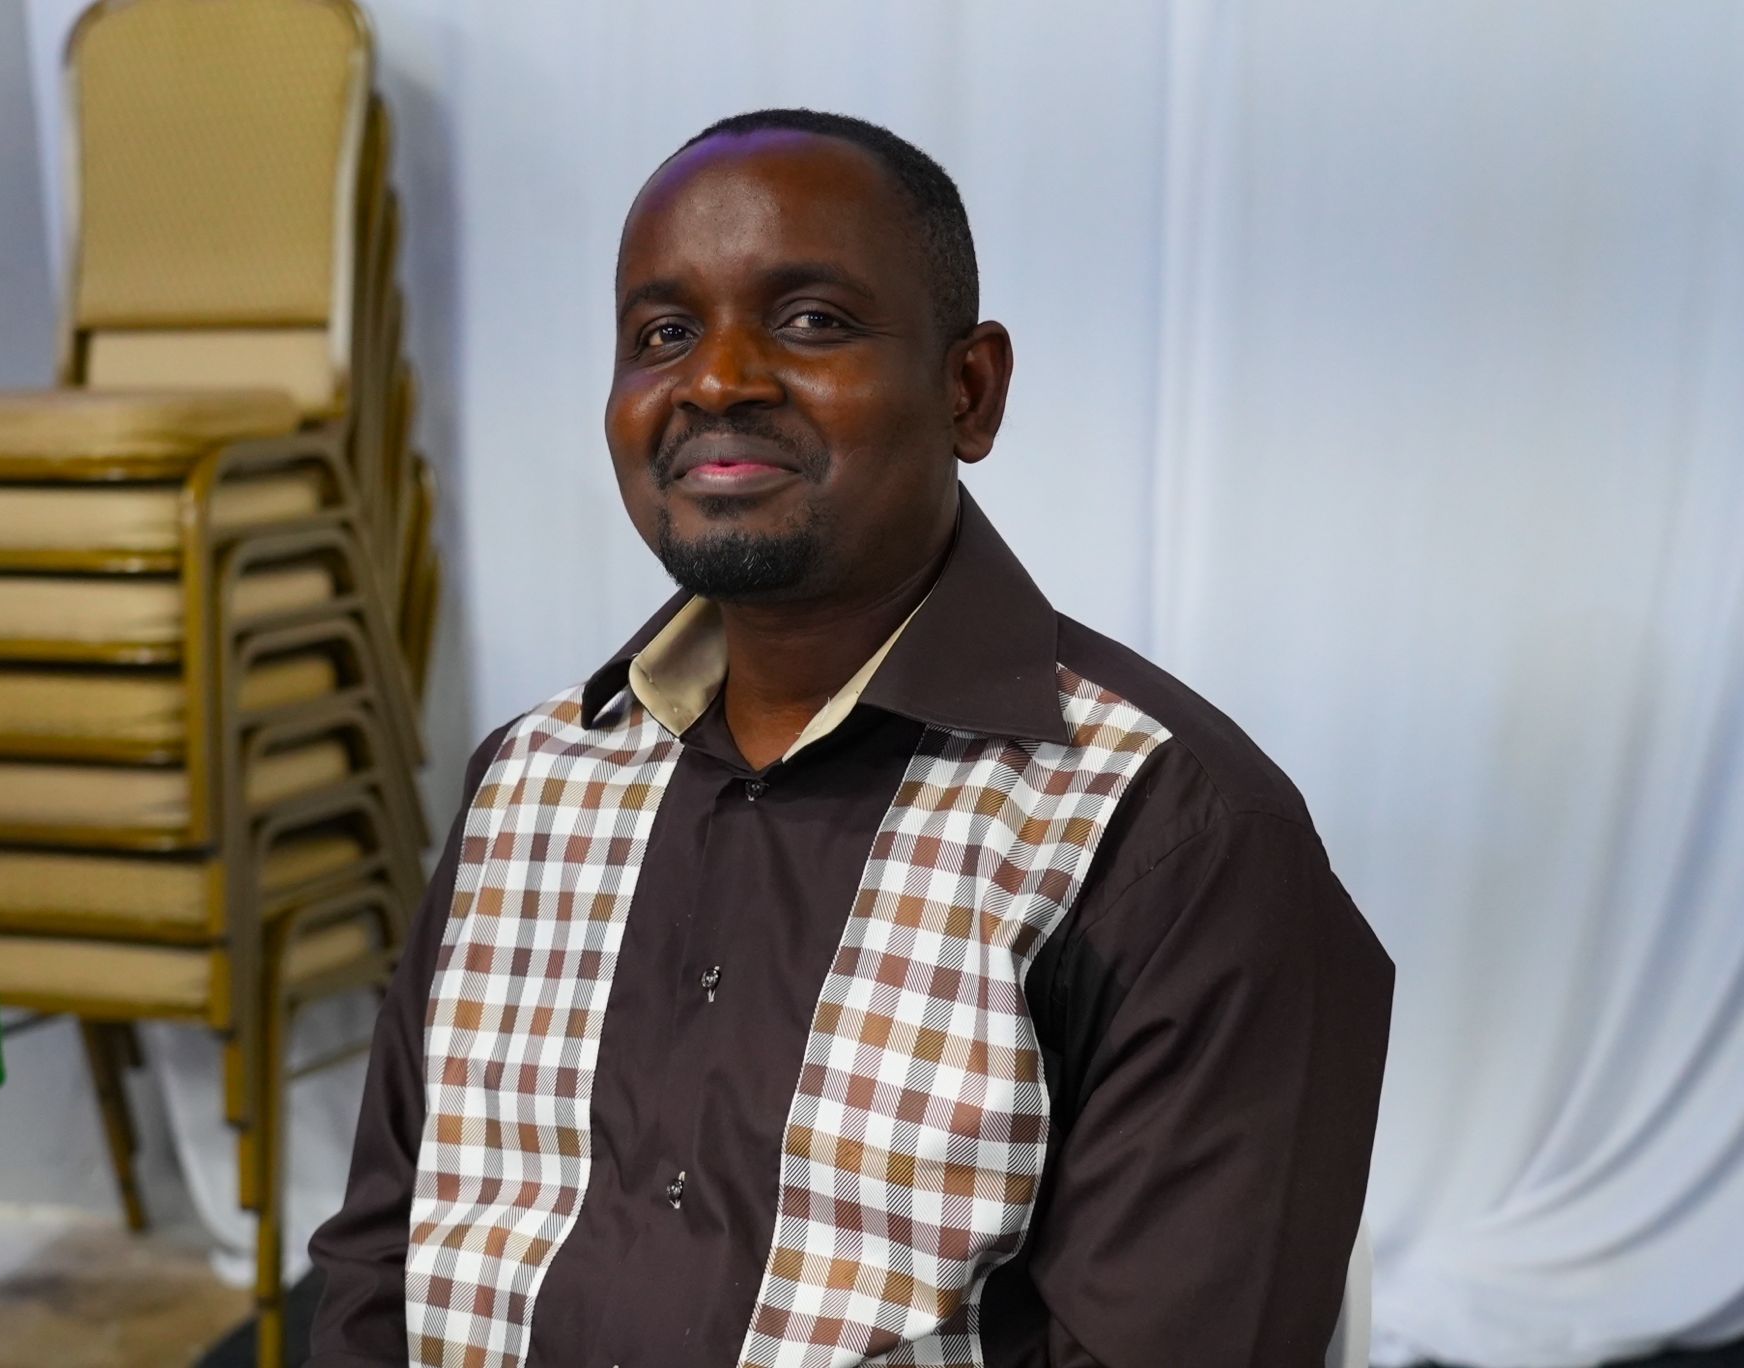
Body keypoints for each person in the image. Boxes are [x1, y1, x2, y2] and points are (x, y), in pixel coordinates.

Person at [308, 108, 1393, 1368]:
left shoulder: (1175, 842)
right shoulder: (529, 781)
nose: (714, 381)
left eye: (809, 320)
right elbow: (375, 1264)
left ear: (966, 390)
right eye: (661, 334)